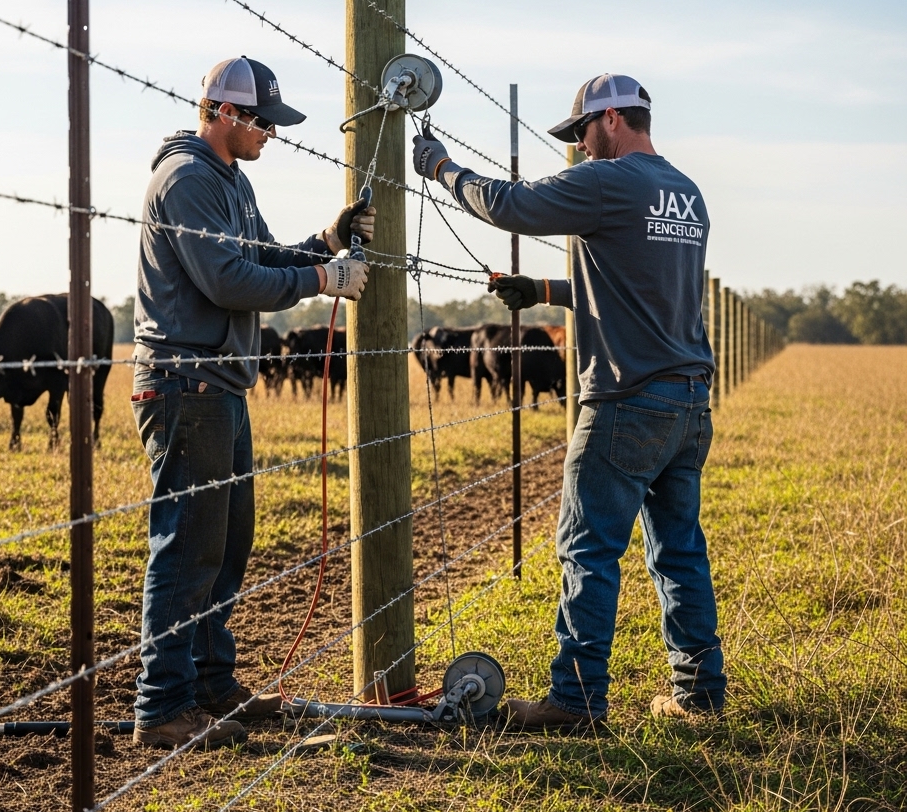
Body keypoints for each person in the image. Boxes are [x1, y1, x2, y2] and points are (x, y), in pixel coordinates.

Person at [413, 74, 725, 730]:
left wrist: (442, 168)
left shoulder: (609, 182)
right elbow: (636, 286)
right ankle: (700, 698)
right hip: (690, 402)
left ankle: (575, 703)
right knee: (679, 549)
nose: (579, 147)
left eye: (581, 131)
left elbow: (509, 204)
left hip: (625, 399)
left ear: (611, 119)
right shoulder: (685, 193)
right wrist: (546, 290)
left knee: (585, 549)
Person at [130, 56, 373, 749]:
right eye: (264, 120)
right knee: (187, 548)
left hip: (220, 386)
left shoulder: (228, 181)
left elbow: (262, 258)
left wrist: (325, 242)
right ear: (223, 114)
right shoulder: (185, 180)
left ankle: (211, 685)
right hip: (186, 384)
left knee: (227, 544)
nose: (273, 132)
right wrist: (325, 277)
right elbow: (228, 281)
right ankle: (162, 708)